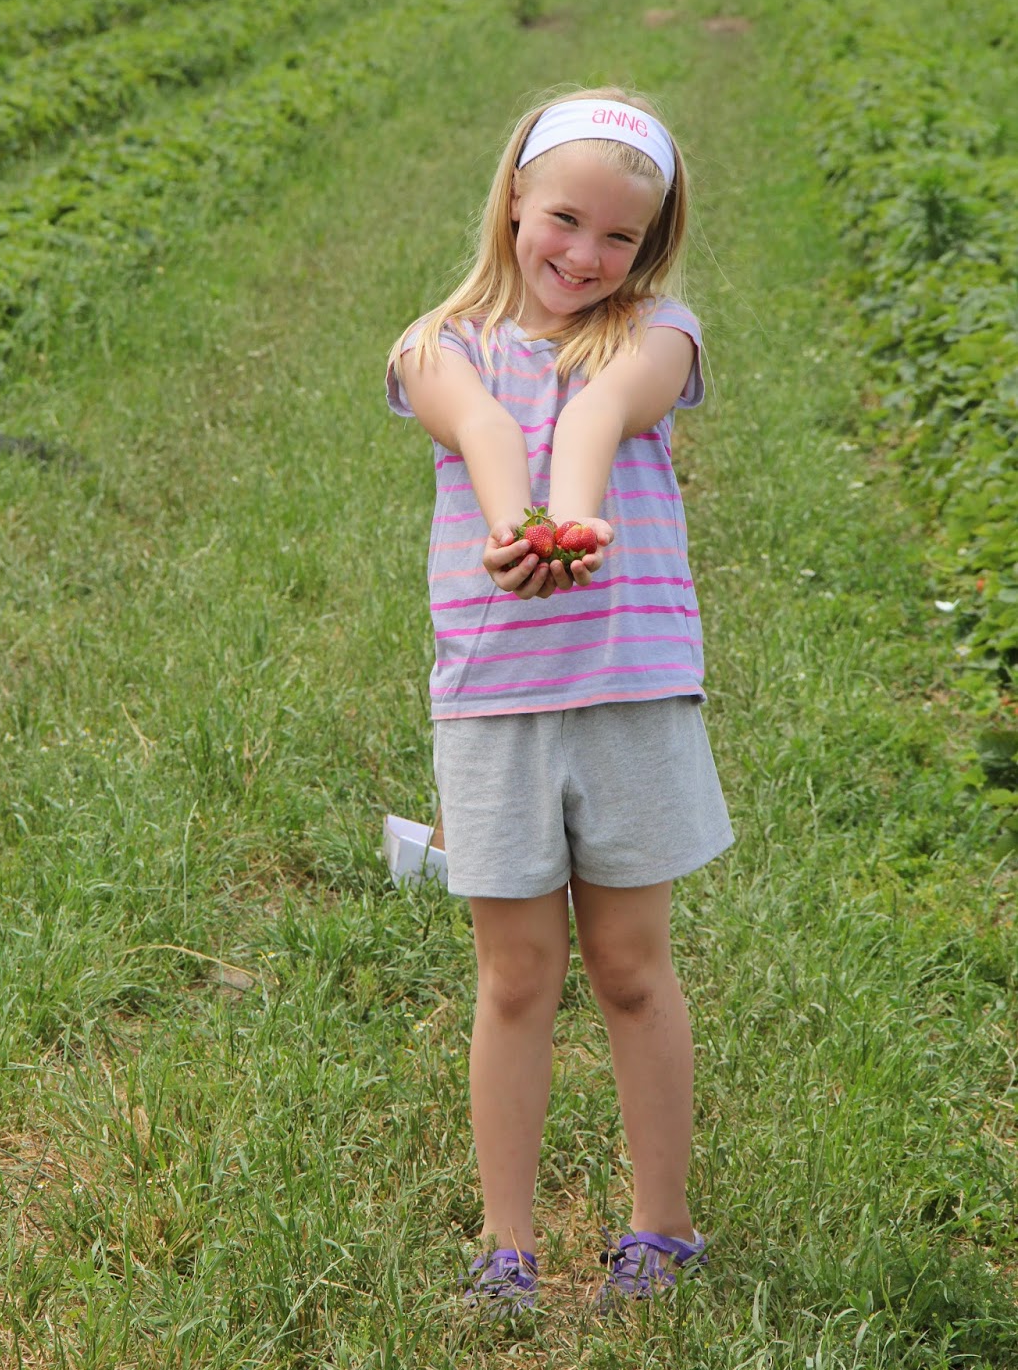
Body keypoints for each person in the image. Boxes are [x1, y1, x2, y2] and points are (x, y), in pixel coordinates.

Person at [385, 87, 733, 1316]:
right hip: (495, 705)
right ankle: (506, 1245)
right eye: (564, 221)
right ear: (514, 202)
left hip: (630, 691)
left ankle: (663, 1227)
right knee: (515, 977)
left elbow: (597, 411)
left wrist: (569, 522)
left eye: (619, 236)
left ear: (652, 244)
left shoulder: (658, 333)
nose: (585, 255)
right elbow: (481, 423)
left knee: (632, 967)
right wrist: (513, 529)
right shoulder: (436, 343)